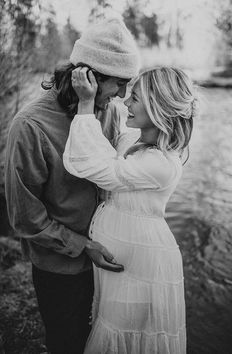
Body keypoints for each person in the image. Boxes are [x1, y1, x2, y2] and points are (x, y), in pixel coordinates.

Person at [4, 18, 140, 354]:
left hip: (107, 259)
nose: (123, 95)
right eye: (119, 84)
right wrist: (82, 245)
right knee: (67, 342)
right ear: (88, 78)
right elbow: (25, 217)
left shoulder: (110, 112)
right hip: (60, 267)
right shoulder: (30, 126)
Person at [63, 65, 198, 353]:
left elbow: (94, 166)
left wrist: (86, 104)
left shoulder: (161, 164)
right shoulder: (132, 140)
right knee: (114, 325)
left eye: (134, 98)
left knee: (125, 334)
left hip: (142, 261)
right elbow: (107, 146)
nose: (125, 103)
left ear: (157, 107)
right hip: (123, 255)